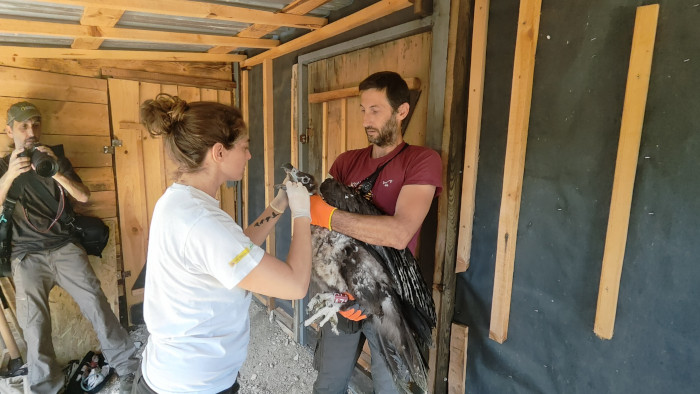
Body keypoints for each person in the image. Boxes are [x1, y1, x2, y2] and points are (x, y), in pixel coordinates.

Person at [134, 94, 312, 394]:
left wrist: (279, 205)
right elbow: (295, 285)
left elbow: (234, 250)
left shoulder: (180, 201)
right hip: (192, 386)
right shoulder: (204, 223)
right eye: (244, 147)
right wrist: (303, 212)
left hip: (174, 376)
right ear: (219, 152)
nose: (249, 155)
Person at [308, 71, 443, 393]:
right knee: (329, 380)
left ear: (401, 111)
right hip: (342, 292)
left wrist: (328, 216)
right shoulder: (346, 162)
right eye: (363, 109)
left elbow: (398, 234)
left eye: (376, 110)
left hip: (388, 295)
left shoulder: (420, 160)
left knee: (390, 386)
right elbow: (323, 241)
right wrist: (337, 291)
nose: (367, 119)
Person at [0, 101, 139, 393]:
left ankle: (129, 369)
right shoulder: (2, 166)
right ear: (9, 129)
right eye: (23, 126)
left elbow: (84, 196)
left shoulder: (53, 158)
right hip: (26, 256)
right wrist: (11, 173)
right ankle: (45, 388)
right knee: (34, 327)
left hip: (64, 247)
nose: (31, 131)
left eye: (35, 124)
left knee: (97, 304)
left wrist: (56, 172)